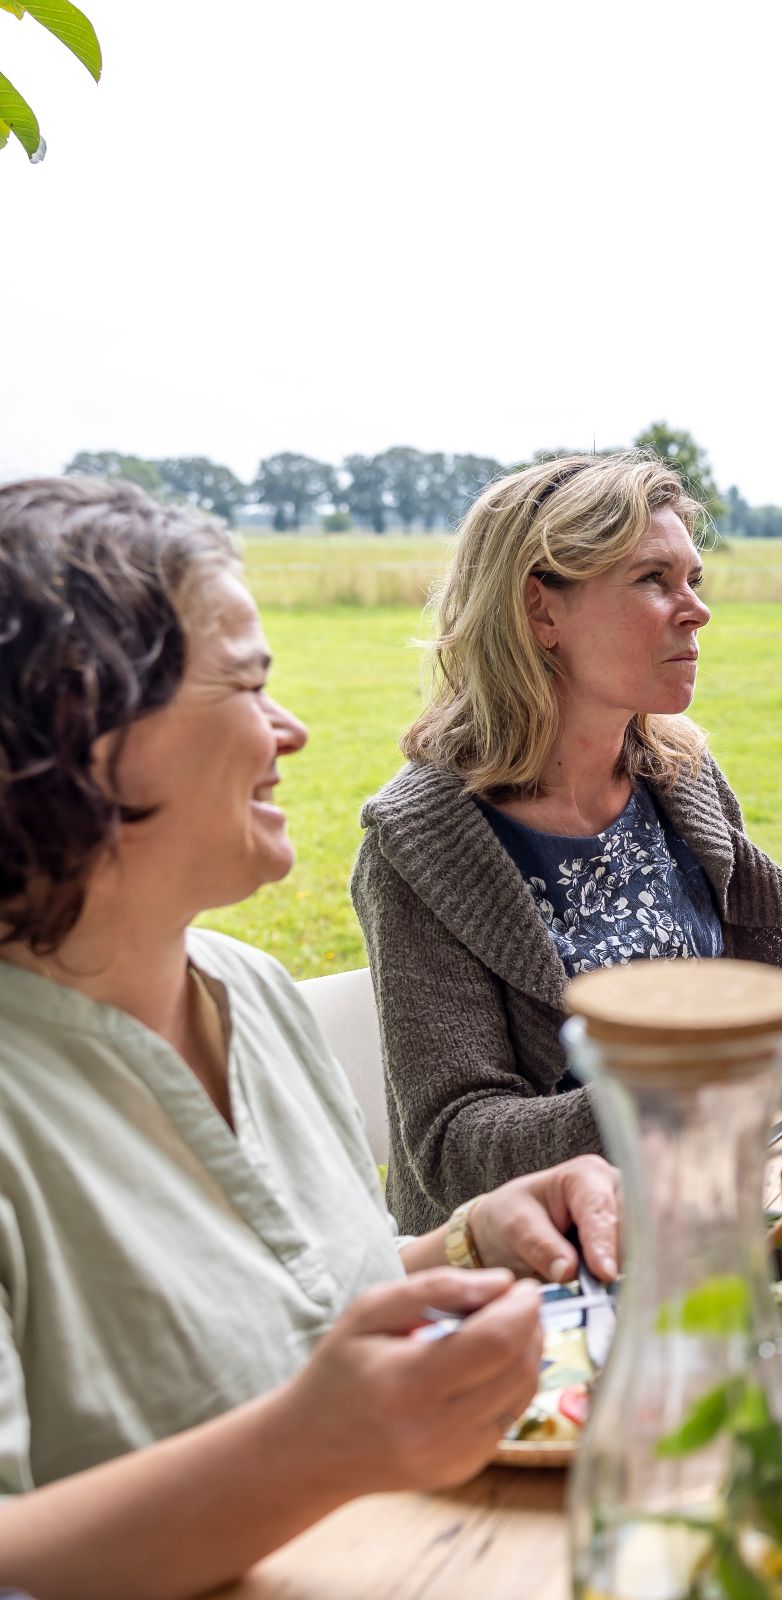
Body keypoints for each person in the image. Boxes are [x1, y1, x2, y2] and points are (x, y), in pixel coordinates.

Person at [0, 477, 619, 1600]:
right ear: (88, 725)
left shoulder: (254, 992)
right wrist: (310, 1452)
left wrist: (473, 1239)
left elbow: (297, 1305)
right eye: (247, 682)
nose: (290, 729)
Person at [354, 454, 782, 1233]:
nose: (696, 611)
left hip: (734, 1200)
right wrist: (667, 1090)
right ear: (540, 612)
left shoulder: (678, 773)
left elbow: (769, 985)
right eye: (653, 580)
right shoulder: (420, 841)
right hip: (551, 1276)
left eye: (694, 579)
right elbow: (455, 1148)